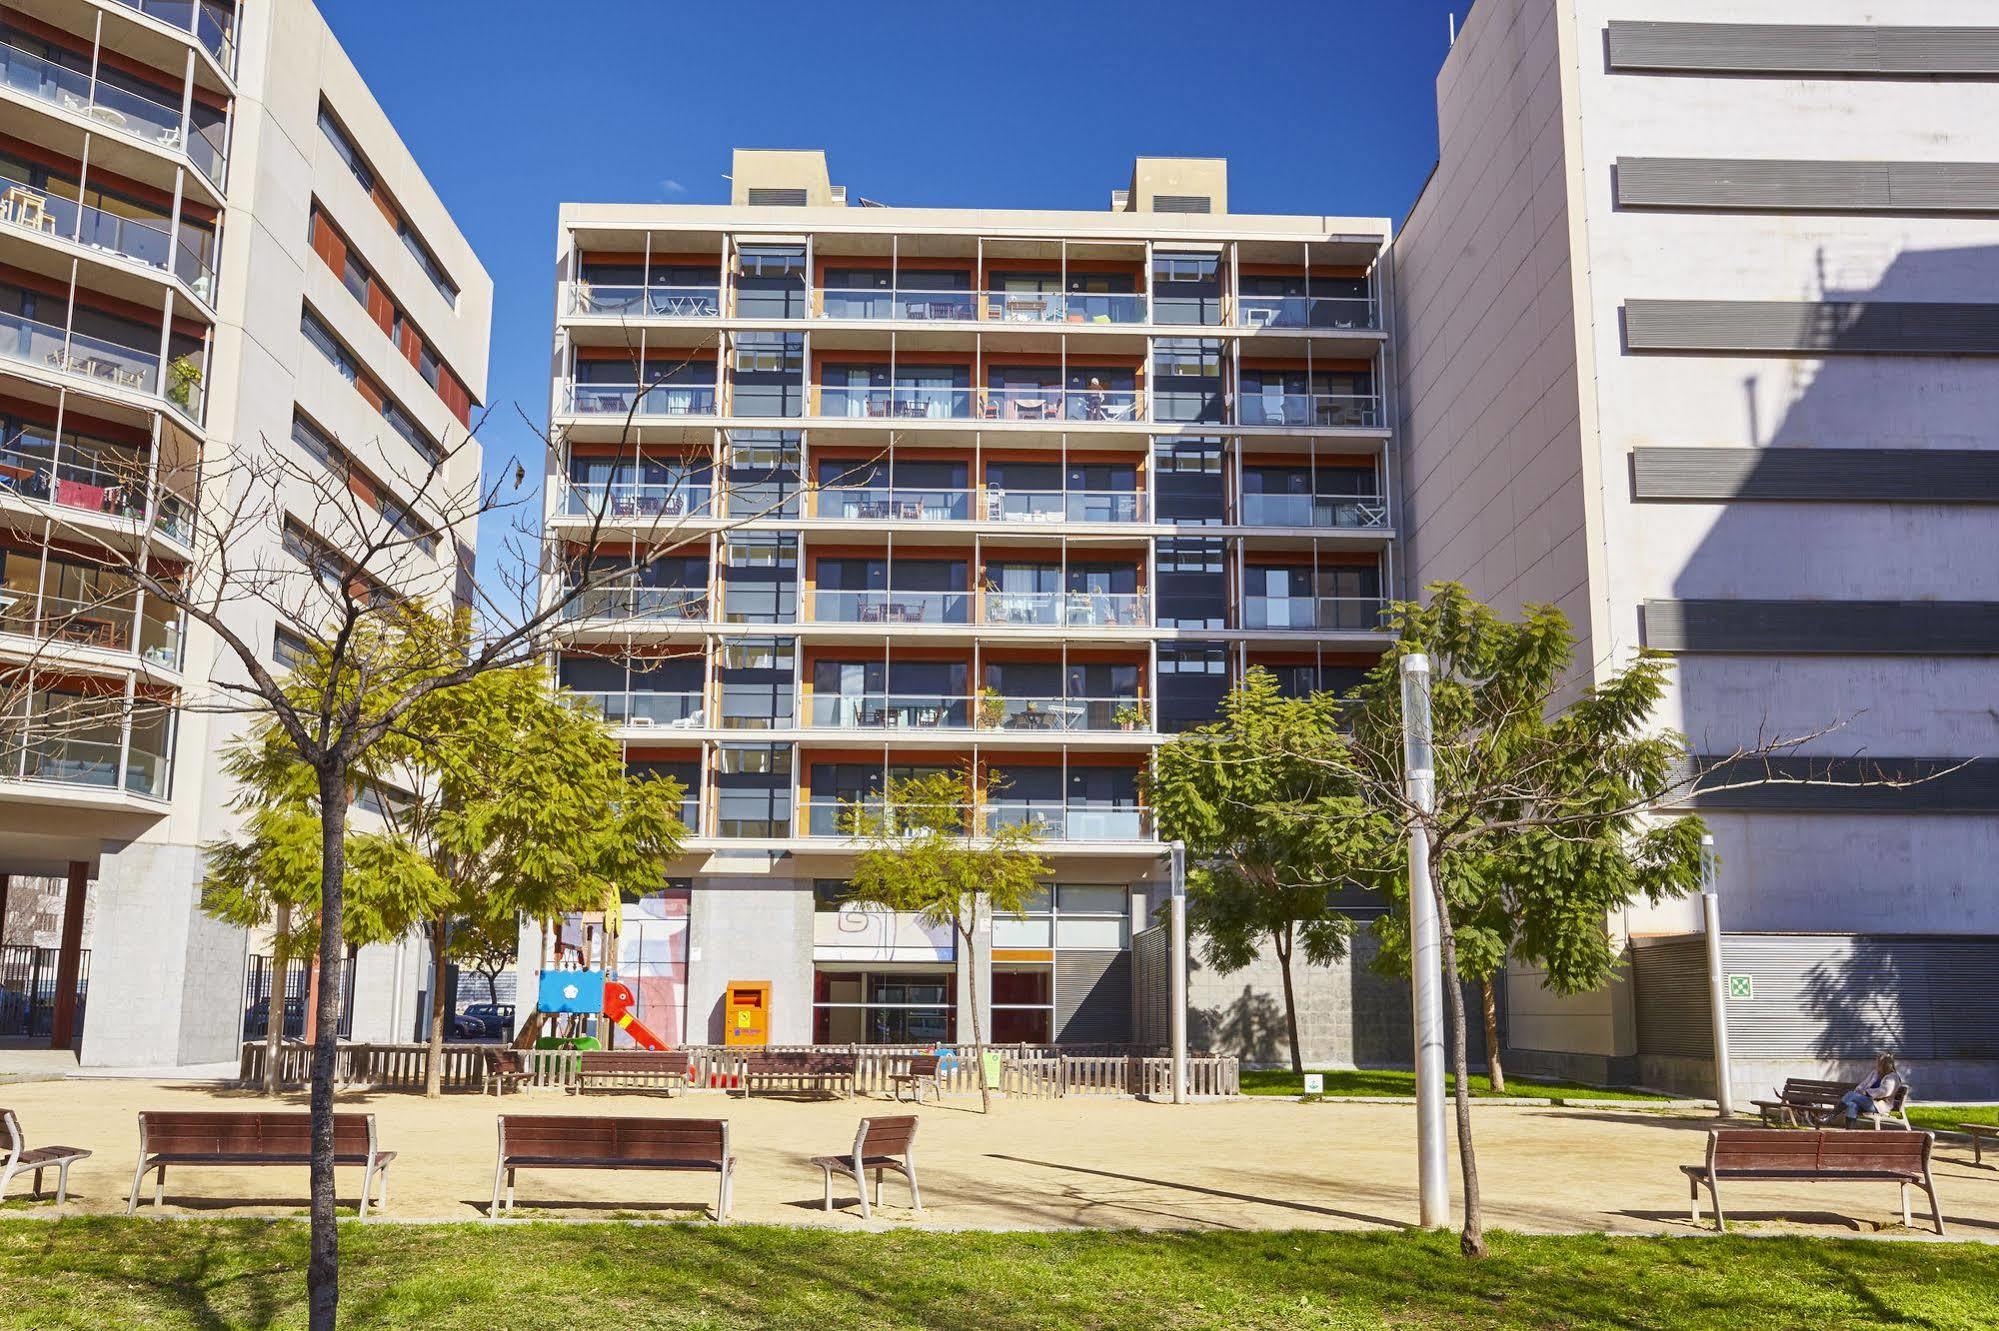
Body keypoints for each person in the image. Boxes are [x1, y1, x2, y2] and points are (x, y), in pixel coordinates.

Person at [1833, 1053, 1902, 1127]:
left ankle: (1831, 1116)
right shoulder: (1875, 1073)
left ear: (1884, 1064)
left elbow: (1884, 1092)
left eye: (1878, 1062)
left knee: (1850, 1094)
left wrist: (1866, 1092)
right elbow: (1864, 1084)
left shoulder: (1893, 1077)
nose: (1876, 1064)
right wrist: (1858, 1091)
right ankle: (1850, 1132)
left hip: (1879, 1105)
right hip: (1868, 1102)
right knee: (1852, 1105)